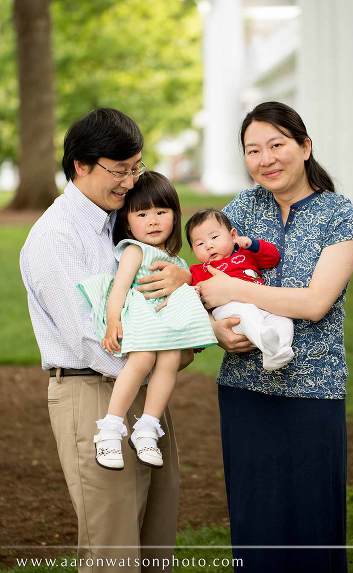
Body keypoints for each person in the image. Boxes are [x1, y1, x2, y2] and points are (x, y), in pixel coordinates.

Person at [196, 101, 353, 573]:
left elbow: (316, 302)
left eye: (277, 145)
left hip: (314, 389)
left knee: (314, 530)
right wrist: (215, 328)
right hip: (244, 391)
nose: (265, 158)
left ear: (305, 147)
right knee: (255, 530)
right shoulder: (238, 211)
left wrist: (234, 288)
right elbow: (203, 289)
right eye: (253, 150)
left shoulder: (340, 215)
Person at [20, 109, 192, 572]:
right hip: (93, 392)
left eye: (136, 167)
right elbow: (93, 338)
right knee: (113, 551)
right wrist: (179, 348)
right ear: (81, 165)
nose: (130, 181)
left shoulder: (119, 222)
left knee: (156, 546)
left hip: (145, 395)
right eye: (120, 170)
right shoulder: (55, 238)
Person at [78, 172, 216, 471]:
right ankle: (111, 428)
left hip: (164, 325)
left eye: (161, 212)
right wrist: (113, 318)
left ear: (174, 216)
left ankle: (148, 427)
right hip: (141, 320)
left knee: (169, 361)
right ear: (128, 221)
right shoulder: (135, 250)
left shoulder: (177, 261)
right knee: (142, 359)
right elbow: (120, 287)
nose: (153, 221)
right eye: (142, 213)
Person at [185, 208, 294, 371]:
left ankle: (277, 353)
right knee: (246, 313)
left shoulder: (246, 254)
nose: (209, 245)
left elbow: (273, 258)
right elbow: (192, 296)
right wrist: (194, 293)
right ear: (193, 251)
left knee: (283, 320)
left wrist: (253, 244)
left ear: (233, 235)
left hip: (261, 304)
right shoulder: (200, 270)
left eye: (214, 237)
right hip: (229, 309)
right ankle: (266, 340)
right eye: (200, 244)